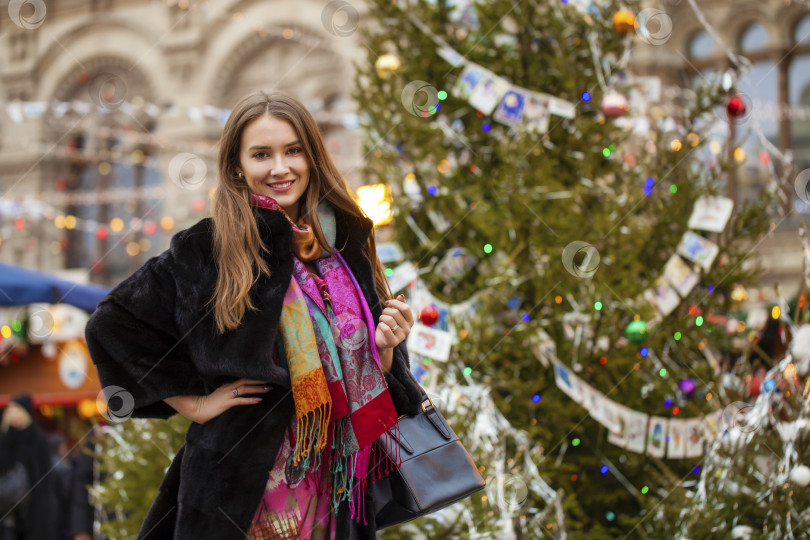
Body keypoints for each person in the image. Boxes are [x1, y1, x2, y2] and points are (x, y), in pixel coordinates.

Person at [84, 90, 425, 539]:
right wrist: (195, 404)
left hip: (335, 482)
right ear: (238, 166)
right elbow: (111, 323)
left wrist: (383, 350)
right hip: (242, 486)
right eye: (262, 154)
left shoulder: (344, 244)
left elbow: (374, 373)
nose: (280, 167)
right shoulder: (207, 249)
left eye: (293, 150)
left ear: (312, 156)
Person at [0, 394, 58, 540]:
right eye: (10, 409)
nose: (12, 413)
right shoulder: (5, 439)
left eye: (16, 408)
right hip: (8, 507)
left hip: (34, 506)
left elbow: (45, 475)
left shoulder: (38, 438)